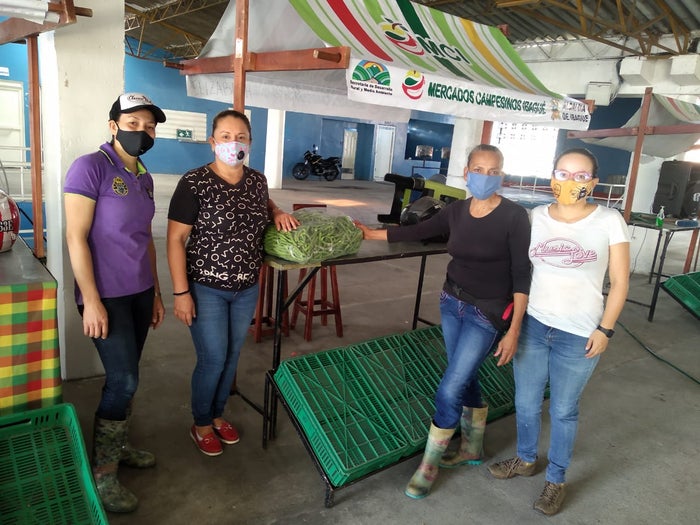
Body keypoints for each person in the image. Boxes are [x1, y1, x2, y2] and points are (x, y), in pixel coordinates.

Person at [356, 144, 531, 499]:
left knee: (450, 388)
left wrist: (514, 330)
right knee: (463, 376)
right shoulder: (456, 211)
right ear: (466, 173)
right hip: (452, 303)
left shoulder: (514, 217)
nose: (485, 176)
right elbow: (417, 231)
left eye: (494, 171)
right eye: (479, 169)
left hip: (487, 312)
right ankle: (472, 448)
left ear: (502, 175)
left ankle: (430, 463)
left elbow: (522, 275)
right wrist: (371, 234)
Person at [487, 148, 630, 516]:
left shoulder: (609, 220)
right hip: (534, 325)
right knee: (526, 402)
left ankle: (556, 479)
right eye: (563, 174)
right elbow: (517, 267)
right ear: (552, 178)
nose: (570, 182)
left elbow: (620, 282)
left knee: (564, 410)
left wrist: (606, 329)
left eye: (580, 176)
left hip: (580, 333)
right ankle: (525, 459)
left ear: (593, 183)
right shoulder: (535, 217)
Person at [166, 109, 298, 457]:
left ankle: (217, 413)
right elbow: (176, 239)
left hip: (246, 288)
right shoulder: (194, 183)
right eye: (225, 136)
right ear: (213, 142)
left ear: (249, 142)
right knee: (212, 357)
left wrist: (276, 211)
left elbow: (263, 202)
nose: (233, 143)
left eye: (240, 137)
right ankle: (201, 423)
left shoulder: (257, 181)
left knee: (231, 355)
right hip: (205, 287)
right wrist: (181, 292)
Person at [64, 92, 167, 513]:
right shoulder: (90, 167)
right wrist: (90, 300)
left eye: (149, 126)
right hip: (105, 296)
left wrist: (156, 292)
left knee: (130, 377)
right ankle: (103, 473)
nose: (142, 131)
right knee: (122, 380)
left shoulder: (144, 177)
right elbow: (75, 237)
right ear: (113, 126)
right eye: (133, 123)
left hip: (139, 292)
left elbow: (146, 240)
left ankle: (118, 445)